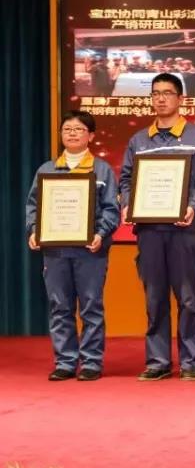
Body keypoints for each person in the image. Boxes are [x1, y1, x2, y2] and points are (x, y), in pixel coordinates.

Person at [119, 73, 195, 381]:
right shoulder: (138, 140)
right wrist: (127, 203)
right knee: (154, 297)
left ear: (180, 98)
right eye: (155, 93)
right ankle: (158, 361)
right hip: (149, 230)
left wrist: (191, 206)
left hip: (185, 229)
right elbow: (126, 180)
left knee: (188, 298)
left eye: (167, 93)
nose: (161, 98)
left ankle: (190, 361)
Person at [26, 110, 120, 381]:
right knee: (60, 307)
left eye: (79, 129)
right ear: (60, 135)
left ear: (90, 136)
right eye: (67, 129)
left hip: (91, 251)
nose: (72, 134)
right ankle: (65, 362)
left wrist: (101, 233)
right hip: (55, 251)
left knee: (91, 307)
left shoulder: (102, 170)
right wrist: (34, 230)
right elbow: (33, 206)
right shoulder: (46, 170)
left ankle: (91, 362)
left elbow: (111, 209)